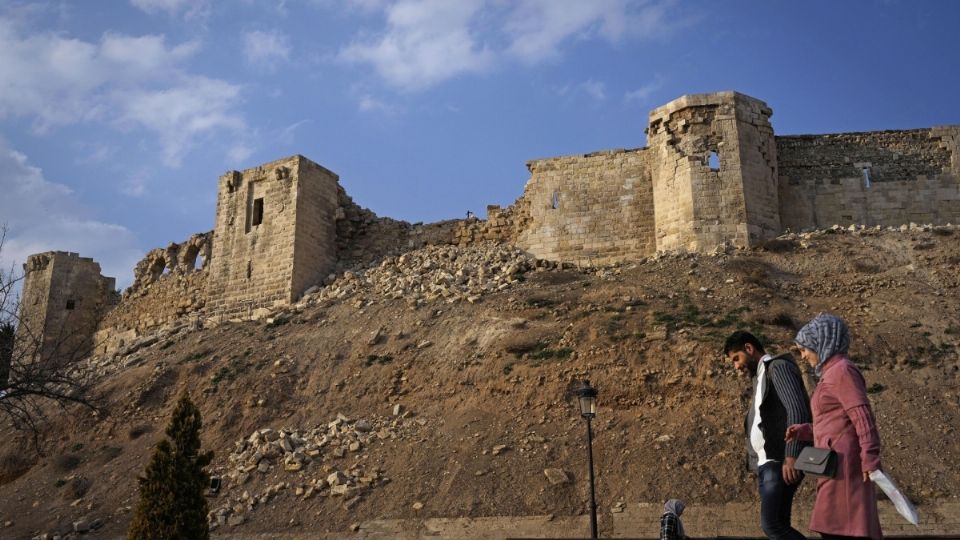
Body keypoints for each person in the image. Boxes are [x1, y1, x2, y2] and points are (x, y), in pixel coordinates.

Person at [786, 314, 883, 540]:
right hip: (834, 466)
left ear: (820, 342)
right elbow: (835, 421)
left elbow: (863, 417)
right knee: (834, 529)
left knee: (841, 531)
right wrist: (804, 430)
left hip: (845, 469)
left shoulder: (842, 371)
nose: (803, 356)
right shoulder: (831, 372)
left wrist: (870, 457)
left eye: (804, 349)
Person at [724, 331, 812, 540]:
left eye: (737, 358)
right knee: (779, 524)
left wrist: (791, 456)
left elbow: (796, 409)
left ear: (749, 348)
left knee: (771, 525)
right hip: (768, 463)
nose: (736, 366)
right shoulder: (761, 375)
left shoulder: (778, 367)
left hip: (780, 460)